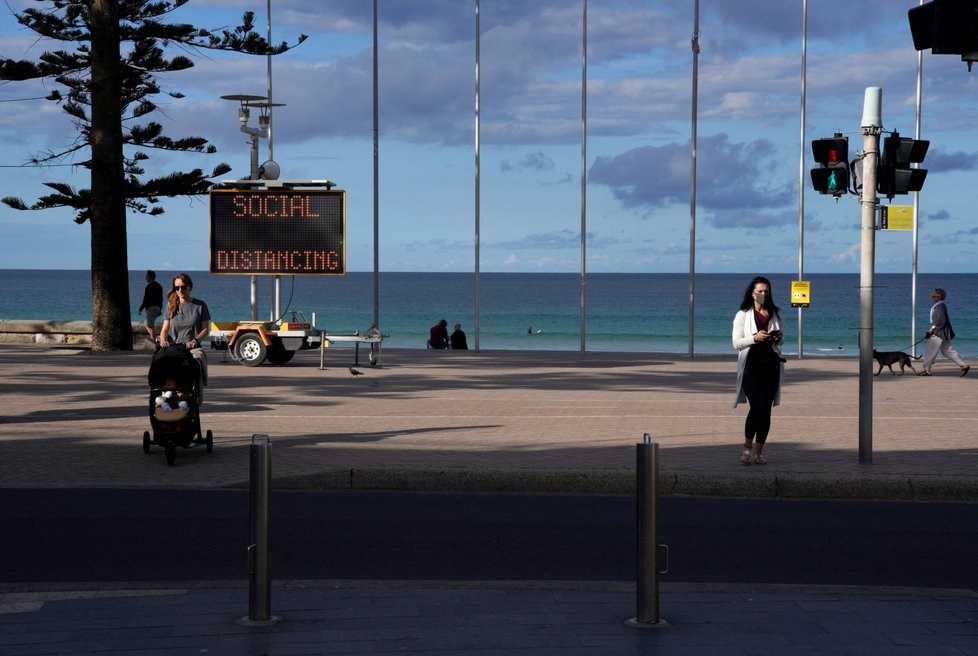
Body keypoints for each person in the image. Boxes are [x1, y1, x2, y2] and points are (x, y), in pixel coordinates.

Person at [731, 276, 785, 465]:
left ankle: (759, 452)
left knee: (766, 411)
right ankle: (746, 448)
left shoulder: (776, 313)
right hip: (751, 367)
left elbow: (782, 340)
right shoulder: (743, 314)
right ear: (752, 293)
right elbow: (736, 343)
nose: (763, 294)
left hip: (771, 366)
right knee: (758, 407)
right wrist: (755, 338)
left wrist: (777, 338)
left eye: (766, 291)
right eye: (759, 291)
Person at [159, 273, 211, 403]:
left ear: (190, 287)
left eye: (183, 287)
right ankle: (166, 392)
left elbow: (205, 329)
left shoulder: (200, 306)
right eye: (177, 288)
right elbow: (164, 329)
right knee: (162, 363)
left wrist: (195, 340)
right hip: (174, 347)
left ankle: (194, 396)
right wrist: (163, 341)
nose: (180, 290)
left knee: (195, 362)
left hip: (192, 347)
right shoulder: (170, 306)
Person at [920, 288, 970, 377]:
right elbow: (941, 321)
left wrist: (932, 329)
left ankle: (927, 370)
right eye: (932, 295)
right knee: (947, 351)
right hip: (942, 332)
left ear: (940, 297)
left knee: (930, 350)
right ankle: (963, 365)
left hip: (939, 332)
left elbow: (941, 320)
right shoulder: (940, 305)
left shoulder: (940, 306)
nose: (932, 297)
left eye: (935, 296)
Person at [137, 270, 164, 342]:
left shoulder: (149, 286)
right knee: (146, 324)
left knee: (150, 326)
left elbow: (146, 299)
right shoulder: (159, 286)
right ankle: (155, 337)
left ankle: (153, 341)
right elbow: (161, 299)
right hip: (157, 308)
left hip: (151, 308)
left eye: (146, 276)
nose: (145, 277)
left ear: (150, 277)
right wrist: (160, 309)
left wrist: (140, 309)